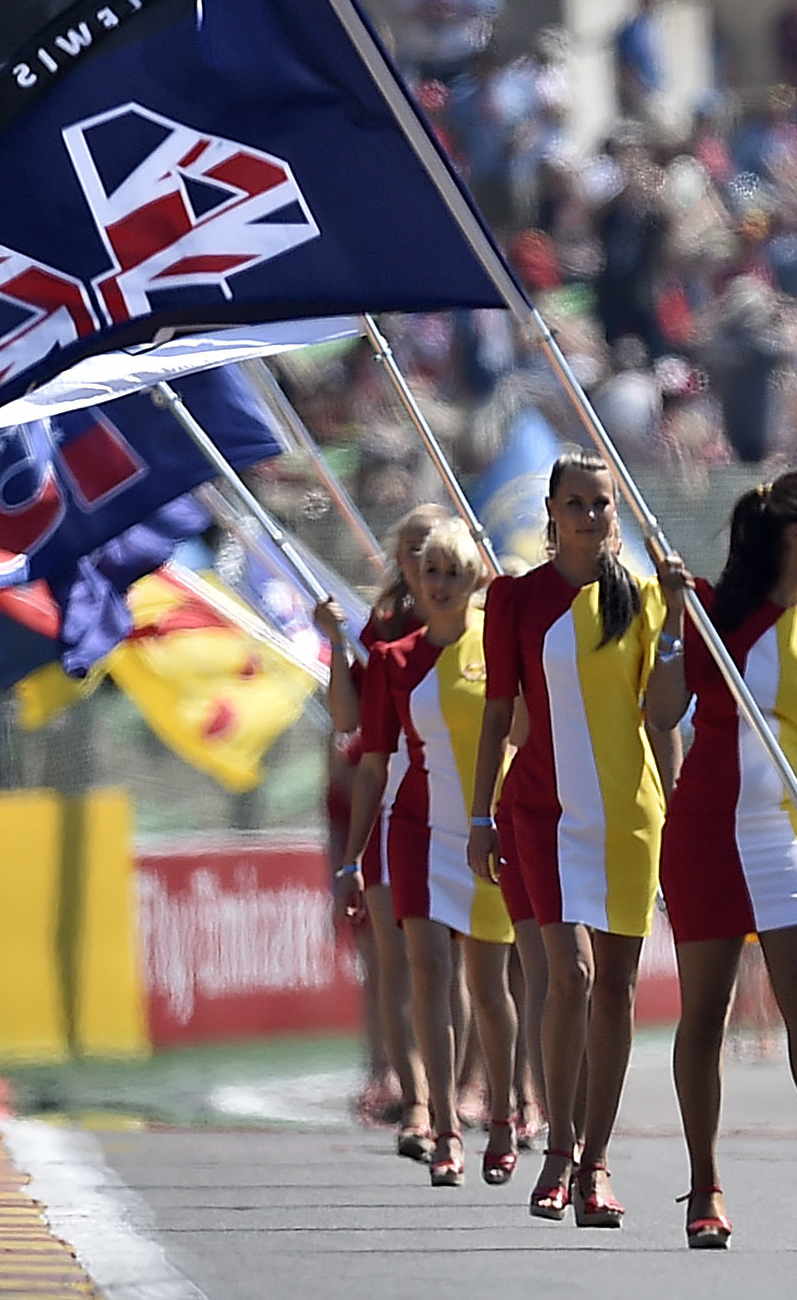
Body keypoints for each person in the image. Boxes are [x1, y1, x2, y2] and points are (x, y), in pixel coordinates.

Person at [655, 468, 797, 1248]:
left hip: (785, 838)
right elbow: (659, 709)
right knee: (705, 1015)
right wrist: (675, 621)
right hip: (704, 833)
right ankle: (705, 1186)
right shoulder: (714, 611)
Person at [473, 453, 671, 1228]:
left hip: (627, 815)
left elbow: (663, 714)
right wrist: (480, 815)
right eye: (578, 503)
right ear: (552, 511)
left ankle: (595, 1163)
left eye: (604, 503)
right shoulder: (514, 599)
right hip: (540, 813)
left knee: (617, 986)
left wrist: (682, 622)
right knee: (571, 974)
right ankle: (558, 1146)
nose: (592, 515)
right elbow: (497, 714)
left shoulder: (644, 598)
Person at [335, 519, 522, 1189]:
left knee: (490, 985)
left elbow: (522, 735)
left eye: (454, 572)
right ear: (414, 578)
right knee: (428, 971)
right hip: (413, 831)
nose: (440, 584)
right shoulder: (393, 659)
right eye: (430, 571)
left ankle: (500, 1114)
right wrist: (354, 856)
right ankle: (443, 1126)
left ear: (477, 579)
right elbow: (372, 764)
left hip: (487, 832)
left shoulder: (500, 647)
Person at [331, 506, 441, 1153]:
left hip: (463, 807)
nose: (427, 564)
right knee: (396, 960)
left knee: (456, 965)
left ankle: (477, 1089)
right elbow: (355, 729)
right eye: (414, 551)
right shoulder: (382, 628)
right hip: (396, 805)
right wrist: (338, 651)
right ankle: (413, 1093)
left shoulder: (477, 622)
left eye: (437, 551)